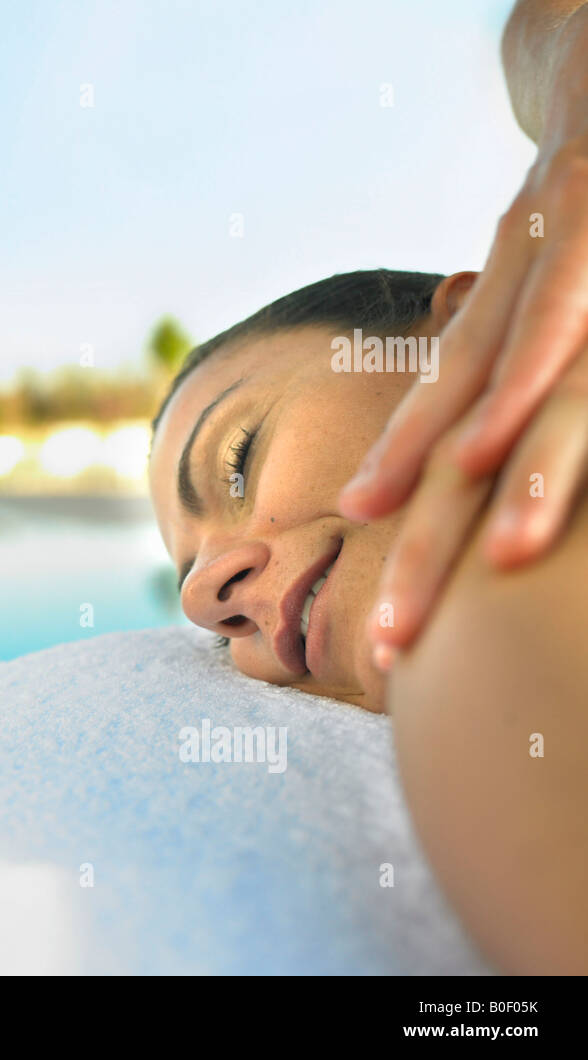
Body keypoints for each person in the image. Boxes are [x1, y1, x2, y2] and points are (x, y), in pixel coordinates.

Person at [147, 0, 588, 973]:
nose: (201, 598)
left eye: (235, 460)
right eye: (195, 585)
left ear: (465, 320)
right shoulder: (468, 632)